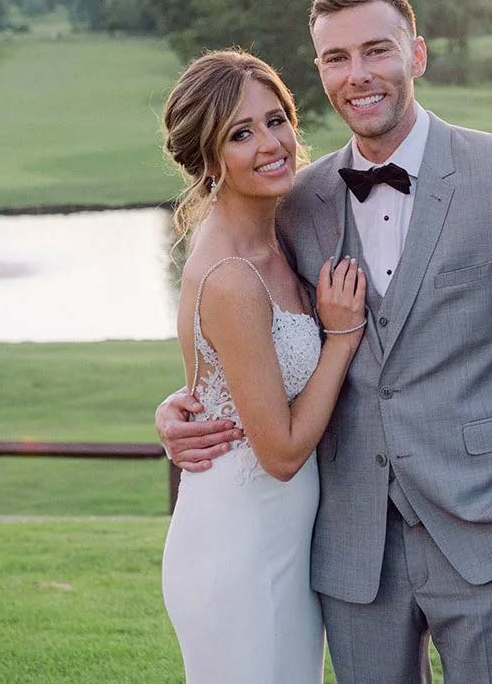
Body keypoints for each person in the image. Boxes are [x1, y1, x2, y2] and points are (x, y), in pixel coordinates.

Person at [159, 0, 492, 683]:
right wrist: (183, 405)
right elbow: (242, 317)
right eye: (336, 58)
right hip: (348, 548)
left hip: (490, 532)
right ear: (320, 73)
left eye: (377, 50)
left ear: (417, 54)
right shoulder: (298, 197)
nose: (358, 74)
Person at [157, 50, 371, 684]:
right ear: (208, 157)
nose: (272, 144)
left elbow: (235, 377)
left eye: (276, 120)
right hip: (238, 551)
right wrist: (341, 337)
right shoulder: (231, 277)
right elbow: (277, 453)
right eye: (240, 134)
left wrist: (179, 399)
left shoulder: (280, 230)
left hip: (281, 544)